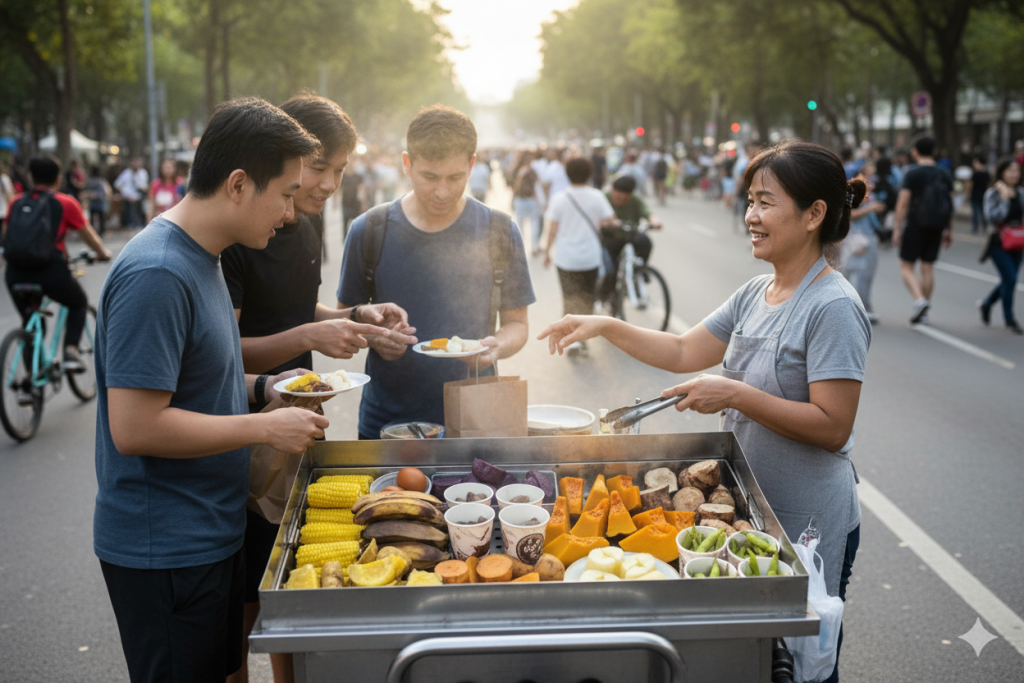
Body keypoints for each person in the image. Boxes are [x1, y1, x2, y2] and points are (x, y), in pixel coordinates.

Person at [540, 140, 869, 683]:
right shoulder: (756, 292)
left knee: (803, 665)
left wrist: (733, 394)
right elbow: (681, 351)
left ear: (814, 214)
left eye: (765, 202)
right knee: (754, 660)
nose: (750, 216)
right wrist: (604, 325)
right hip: (750, 509)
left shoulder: (832, 307)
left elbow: (834, 427)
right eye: (750, 201)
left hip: (806, 519)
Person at [93, 97, 328, 683]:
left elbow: (196, 381)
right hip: (168, 549)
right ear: (239, 184)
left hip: (210, 532)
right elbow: (136, 426)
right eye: (286, 194)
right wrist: (264, 427)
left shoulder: (206, 257)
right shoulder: (158, 273)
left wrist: (267, 388)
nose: (291, 214)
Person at [220, 93, 411, 683]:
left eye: (340, 170)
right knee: (242, 589)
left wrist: (356, 315)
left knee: (291, 580)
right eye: (317, 167)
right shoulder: (236, 237)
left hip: (300, 418)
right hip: (244, 422)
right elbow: (219, 354)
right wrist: (308, 334)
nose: (328, 184)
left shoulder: (302, 226)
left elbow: (300, 307)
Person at [337, 104, 535, 439]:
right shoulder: (369, 230)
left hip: (477, 418)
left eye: (455, 178)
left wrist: (496, 347)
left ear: (471, 166)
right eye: (429, 177)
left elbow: (517, 324)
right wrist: (375, 338)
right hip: (388, 422)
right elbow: (344, 319)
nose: (442, 192)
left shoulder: (499, 230)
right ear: (407, 164)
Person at [3, 156, 113, 371]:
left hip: (15, 272)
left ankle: (31, 378)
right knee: (78, 303)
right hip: (49, 271)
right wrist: (103, 254)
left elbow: (8, 236)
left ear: (30, 177)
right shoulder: (65, 202)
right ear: (58, 179)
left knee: (30, 321)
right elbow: (89, 236)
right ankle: (71, 351)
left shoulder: (16, 202)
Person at [542, 156, 617, 357]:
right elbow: (610, 220)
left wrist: (547, 252)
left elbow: (552, 229)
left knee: (569, 298)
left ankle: (571, 343)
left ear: (567, 174)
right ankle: (583, 339)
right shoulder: (597, 196)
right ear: (590, 173)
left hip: (566, 258)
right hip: (590, 258)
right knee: (588, 297)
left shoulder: (559, 198)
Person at [892, 136, 954, 324]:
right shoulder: (944, 172)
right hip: (937, 225)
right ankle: (924, 310)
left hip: (915, 223)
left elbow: (903, 203)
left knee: (906, 266)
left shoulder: (912, 173)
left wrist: (897, 227)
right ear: (934, 151)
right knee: (927, 267)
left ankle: (919, 301)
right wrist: (949, 229)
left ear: (915, 152)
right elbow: (950, 203)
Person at [598, 175, 662, 302]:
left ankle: (640, 271)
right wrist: (606, 223)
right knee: (611, 271)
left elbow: (648, 213)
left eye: (624, 198)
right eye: (617, 197)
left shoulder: (636, 200)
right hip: (610, 238)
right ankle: (605, 297)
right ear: (612, 191)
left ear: (630, 195)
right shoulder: (603, 198)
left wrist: (654, 221)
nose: (620, 200)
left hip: (630, 235)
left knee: (645, 242)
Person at [979, 157, 1024, 334]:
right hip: (998, 243)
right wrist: (1004, 199)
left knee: (1009, 280)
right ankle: (1009, 319)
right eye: (1010, 171)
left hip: (1018, 241)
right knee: (1010, 279)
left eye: (1017, 171)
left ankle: (986, 304)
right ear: (1002, 172)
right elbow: (992, 218)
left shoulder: (1020, 192)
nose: (1014, 174)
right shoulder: (993, 193)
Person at [841, 163, 885, 324]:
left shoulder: (870, 195)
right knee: (855, 274)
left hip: (865, 237)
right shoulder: (853, 193)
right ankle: (859, 309)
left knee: (862, 274)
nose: (871, 180)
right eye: (867, 176)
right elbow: (850, 214)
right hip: (856, 239)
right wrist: (871, 209)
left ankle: (860, 307)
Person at [511, 151, 545, 256]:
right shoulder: (532, 172)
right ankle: (534, 246)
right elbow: (536, 188)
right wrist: (540, 202)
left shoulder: (517, 170)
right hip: (530, 200)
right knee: (534, 224)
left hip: (519, 200)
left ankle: (519, 247)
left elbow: (514, 187)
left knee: (520, 224)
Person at [114, 157, 149, 229]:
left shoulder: (143, 173)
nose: (135, 165)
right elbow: (117, 184)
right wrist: (124, 193)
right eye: (134, 163)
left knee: (141, 210)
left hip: (139, 197)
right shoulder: (126, 173)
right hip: (128, 197)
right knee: (129, 212)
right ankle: (129, 224)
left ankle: (140, 224)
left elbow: (145, 185)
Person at [147, 157, 182, 222]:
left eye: (169, 167)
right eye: (165, 167)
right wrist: (149, 220)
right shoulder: (155, 184)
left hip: (176, 219)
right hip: (159, 218)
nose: (167, 170)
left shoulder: (180, 183)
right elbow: (151, 203)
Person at [340, 162, 365, 242]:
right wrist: (335, 201)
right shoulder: (343, 176)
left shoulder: (357, 176)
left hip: (355, 203)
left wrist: (363, 202)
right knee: (345, 223)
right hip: (345, 202)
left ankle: (356, 240)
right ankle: (345, 241)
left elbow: (361, 190)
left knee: (357, 223)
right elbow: (341, 189)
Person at [84, 165, 111, 236]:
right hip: (100, 201)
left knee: (92, 218)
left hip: (92, 201)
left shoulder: (89, 181)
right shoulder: (101, 181)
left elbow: (85, 189)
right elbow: (104, 191)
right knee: (101, 217)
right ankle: (102, 231)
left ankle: (92, 232)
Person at [967, 156, 991, 235]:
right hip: (983, 195)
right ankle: (984, 227)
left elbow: (970, 184)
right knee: (983, 212)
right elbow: (988, 185)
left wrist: (968, 193)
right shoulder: (987, 173)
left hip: (976, 195)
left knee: (976, 212)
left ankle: (975, 228)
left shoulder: (975, 174)